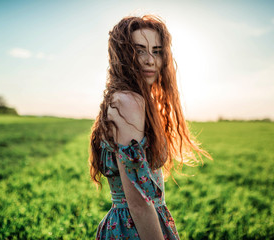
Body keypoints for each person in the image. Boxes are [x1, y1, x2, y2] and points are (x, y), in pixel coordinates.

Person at [89, 14, 212, 240]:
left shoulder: (131, 100)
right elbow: (139, 203)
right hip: (136, 229)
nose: (150, 60)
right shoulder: (128, 102)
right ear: (122, 55)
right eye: (139, 50)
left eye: (156, 51)